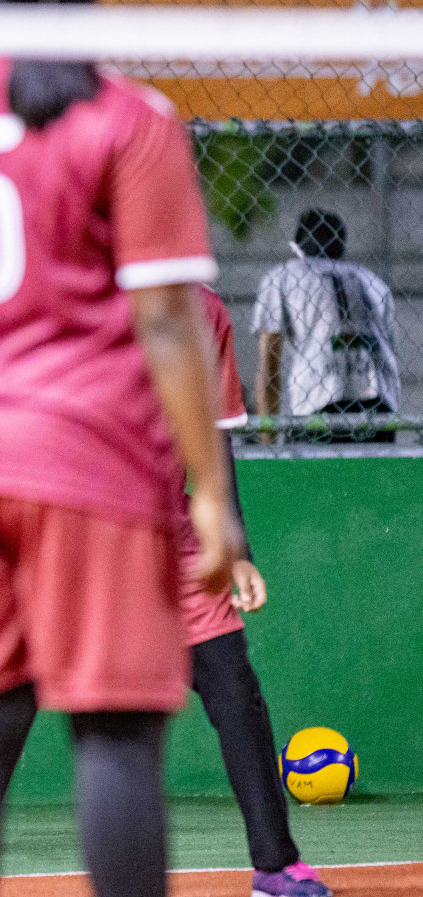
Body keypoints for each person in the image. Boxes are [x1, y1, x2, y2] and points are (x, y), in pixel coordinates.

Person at [0, 0, 245, 897]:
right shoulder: (132, 121)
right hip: (87, 459)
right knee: (118, 736)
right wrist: (209, 496)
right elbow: (169, 323)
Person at [184, 285, 333, 897]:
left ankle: (274, 864)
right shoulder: (64, 288)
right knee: (4, 703)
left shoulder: (201, 308)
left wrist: (236, 548)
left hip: (170, 537)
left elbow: (214, 441)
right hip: (65, 533)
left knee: (231, 684)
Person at [253, 208, 399, 444]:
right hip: (378, 403)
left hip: (318, 402)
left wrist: (267, 438)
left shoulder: (283, 275)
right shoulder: (372, 281)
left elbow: (269, 364)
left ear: (298, 248)